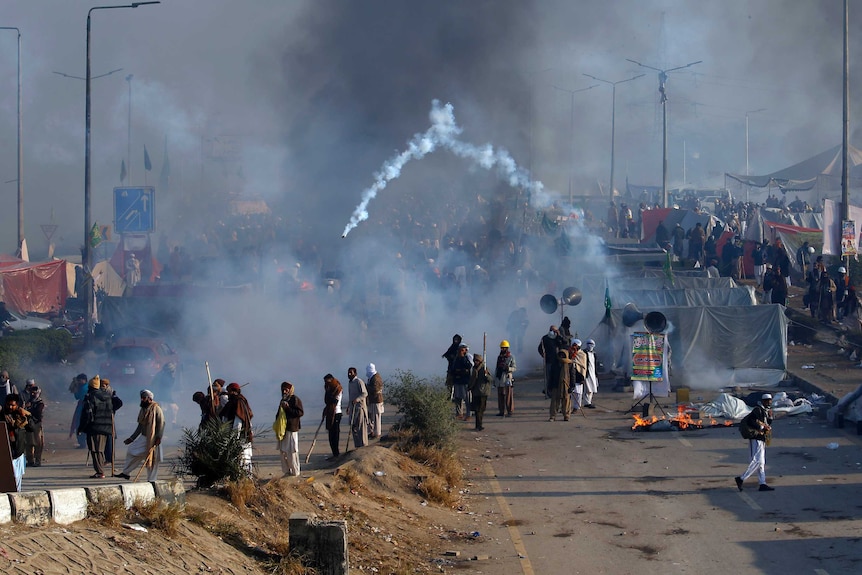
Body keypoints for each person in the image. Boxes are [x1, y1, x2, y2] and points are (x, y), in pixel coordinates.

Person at [115, 389, 165, 482]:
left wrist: (158, 437)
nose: (142, 400)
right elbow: (140, 426)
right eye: (141, 398)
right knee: (132, 451)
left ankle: (152, 480)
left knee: (153, 460)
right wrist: (132, 438)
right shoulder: (143, 409)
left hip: (153, 438)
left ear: (149, 399)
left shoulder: (156, 408)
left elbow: (161, 423)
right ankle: (126, 473)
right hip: (144, 437)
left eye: (144, 398)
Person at [735, 394, 775, 492]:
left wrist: (770, 418)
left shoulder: (765, 411)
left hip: (761, 438)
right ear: (763, 401)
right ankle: (741, 478)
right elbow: (752, 422)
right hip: (757, 438)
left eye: (770, 401)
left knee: (761, 463)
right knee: (757, 461)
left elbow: (767, 423)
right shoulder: (758, 410)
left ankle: (762, 483)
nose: (769, 403)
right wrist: (762, 427)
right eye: (767, 401)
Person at [78, 376, 113, 478]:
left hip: (94, 428)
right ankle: (100, 470)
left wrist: (81, 428)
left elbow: (86, 415)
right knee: (100, 450)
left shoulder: (90, 397)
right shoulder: (107, 396)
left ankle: (100, 472)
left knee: (95, 450)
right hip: (106, 427)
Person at [221, 383, 254, 473]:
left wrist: (235, 437)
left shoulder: (237, 402)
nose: (228, 393)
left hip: (241, 435)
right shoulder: (238, 401)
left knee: (243, 457)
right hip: (242, 434)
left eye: (229, 391)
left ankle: (245, 478)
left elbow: (238, 421)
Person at [2, 392, 30, 491]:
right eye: (8, 404)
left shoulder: (21, 415)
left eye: (13, 405)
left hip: (17, 453)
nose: (10, 407)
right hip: (5, 453)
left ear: (17, 405)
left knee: (16, 482)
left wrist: (26, 417)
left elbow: (31, 428)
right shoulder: (2, 415)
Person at [275, 381, 304, 477]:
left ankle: (296, 472)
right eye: (283, 389)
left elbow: (300, 412)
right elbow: (279, 413)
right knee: (283, 451)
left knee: (292, 451)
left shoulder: (295, 399)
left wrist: (288, 409)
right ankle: (286, 471)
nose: (284, 391)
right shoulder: (282, 400)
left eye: (286, 389)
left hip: (292, 428)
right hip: (283, 430)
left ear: (290, 390)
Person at [100, 377, 123, 468]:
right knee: (104, 440)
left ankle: (110, 459)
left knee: (110, 439)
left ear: (107, 385)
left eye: (104, 385)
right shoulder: (99, 393)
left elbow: (119, 403)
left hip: (109, 418)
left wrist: (113, 410)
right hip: (101, 418)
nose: (102, 387)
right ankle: (107, 458)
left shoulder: (111, 393)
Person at [22, 379, 45, 467]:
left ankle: (38, 460)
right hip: (28, 424)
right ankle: (30, 460)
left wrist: (29, 411)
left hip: (36, 424)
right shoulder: (28, 402)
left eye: (34, 393)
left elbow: (38, 413)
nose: (33, 394)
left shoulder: (40, 403)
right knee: (28, 443)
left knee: (38, 443)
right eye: (32, 392)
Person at [346, 367, 369, 448]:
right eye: (348, 373)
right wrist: (348, 407)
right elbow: (350, 396)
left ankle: (364, 446)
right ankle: (357, 446)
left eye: (351, 373)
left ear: (355, 373)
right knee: (354, 427)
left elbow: (365, 393)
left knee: (361, 428)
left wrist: (357, 399)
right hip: (353, 409)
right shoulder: (350, 383)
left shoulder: (358, 381)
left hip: (360, 408)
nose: (349, 374)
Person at [469, 353, 492, 431]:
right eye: (474, 360)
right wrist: (469, 387)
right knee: (477, 410)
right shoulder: (474, 369)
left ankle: (479, 425)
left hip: (483, 392)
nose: (475, 362)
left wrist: (486, 375)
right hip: (476, 392)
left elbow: (490, 380)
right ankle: (478, 425)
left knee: (481, 410)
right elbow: (472, 380)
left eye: (477, 361)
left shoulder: (484, 369)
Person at [494, 340, 517, 417]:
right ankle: (501, 411)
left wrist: (509, 368)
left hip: (507, 379)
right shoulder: (499, 357)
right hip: (499, 378)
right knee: (500, 396)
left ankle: (510, 411)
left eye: (504, 348)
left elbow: (514, 368)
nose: (502, 349)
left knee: (508, 396)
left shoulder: (511, 357)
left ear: (507, 348)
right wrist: (495, 379)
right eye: (502, 348)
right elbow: (497, 368)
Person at [323, 374, 343, 459]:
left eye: (327, 381)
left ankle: (336, 453)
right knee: (330, 435)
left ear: (331, 380)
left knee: (335, 434)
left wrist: (330, 399)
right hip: (330, 413)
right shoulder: (328, 388)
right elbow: (327, 400)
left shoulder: (337, 388)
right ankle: (334, 452)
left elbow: (335, 401)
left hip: (336, 412)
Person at [538, 325, 561, 398]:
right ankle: (548, 392)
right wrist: (542, 354)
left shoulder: (557, 338)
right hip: (548, 361)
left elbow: (563, 343)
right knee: (548, 377)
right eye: (552, 330)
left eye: (554, 331)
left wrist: (559, 335)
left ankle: (553, 391)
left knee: (555, 377)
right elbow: (540, 348)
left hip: (557, 361)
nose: (553, 332)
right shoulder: (545, 338)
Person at [451, 343, 472, 419]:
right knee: (457, 398)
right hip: (457, 380)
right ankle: (459, 413)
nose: (461, 351)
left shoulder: (467, 358)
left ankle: (468, 414)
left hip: (465, 381)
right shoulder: (456, 359)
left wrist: (461, 371)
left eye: (462, 350)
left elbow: (469, 368)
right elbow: (453, 369)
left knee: (467, 399)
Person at [69, 372, 89, 449]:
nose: (79, 382)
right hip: (82, 407)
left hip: (83, 408)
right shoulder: (83, 387)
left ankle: (82, 443)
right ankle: (83, 442)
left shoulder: (84, 388)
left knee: (80, 424)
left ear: (84, 380)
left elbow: (77, 396)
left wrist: (75, 388)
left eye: (80, 380)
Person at [551, 349, 572, 421]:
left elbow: (572, 375)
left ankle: (566, 415)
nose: (562, 356)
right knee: (554, 402)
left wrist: (572, 386)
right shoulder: (555, 363)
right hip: (556, 385)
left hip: (566, 385)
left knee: (566, 401)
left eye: (563, 355)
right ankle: (552, 416)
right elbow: (551, 375)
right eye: (560, 355)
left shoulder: (570, 364)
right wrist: (549, 386)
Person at [365, 363, 384, 439]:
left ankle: (377, 433)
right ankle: (373, 432)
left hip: (376, 400)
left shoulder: (376, 378)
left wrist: (367, 387)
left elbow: (375, 389)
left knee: (376, 418)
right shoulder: (373, 377)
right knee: (372, 417)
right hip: (373, 400)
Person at [568, 339, 588, 411]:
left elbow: (583, 366)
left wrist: (583, 377)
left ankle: (576, 407)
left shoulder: (582, 354)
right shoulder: (569, 353)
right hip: (570, 374)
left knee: (578, 393)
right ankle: (567, 407)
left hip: (579, 374)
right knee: (569, 392)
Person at [442, 334, 463, 398]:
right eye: (455, 339)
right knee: (449, 384)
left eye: (457, 340)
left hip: (458, 369)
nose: (456, 341)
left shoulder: (460, 348)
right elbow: (447, 354)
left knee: (457, 385)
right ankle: (449, 396)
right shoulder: (452, 347)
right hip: (451, 368)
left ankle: (456, 396)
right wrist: (449, 357)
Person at [581, 339, 599, 409]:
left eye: (592, 344)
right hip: (587, 373)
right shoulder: (583, 353)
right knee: (587, 388)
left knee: (592, 388)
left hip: (593, 373)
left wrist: (596, 374)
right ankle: (587, 402)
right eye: (589, 344)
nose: (590, 346)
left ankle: (589, 401)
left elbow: (595, 364)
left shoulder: (594, 353)